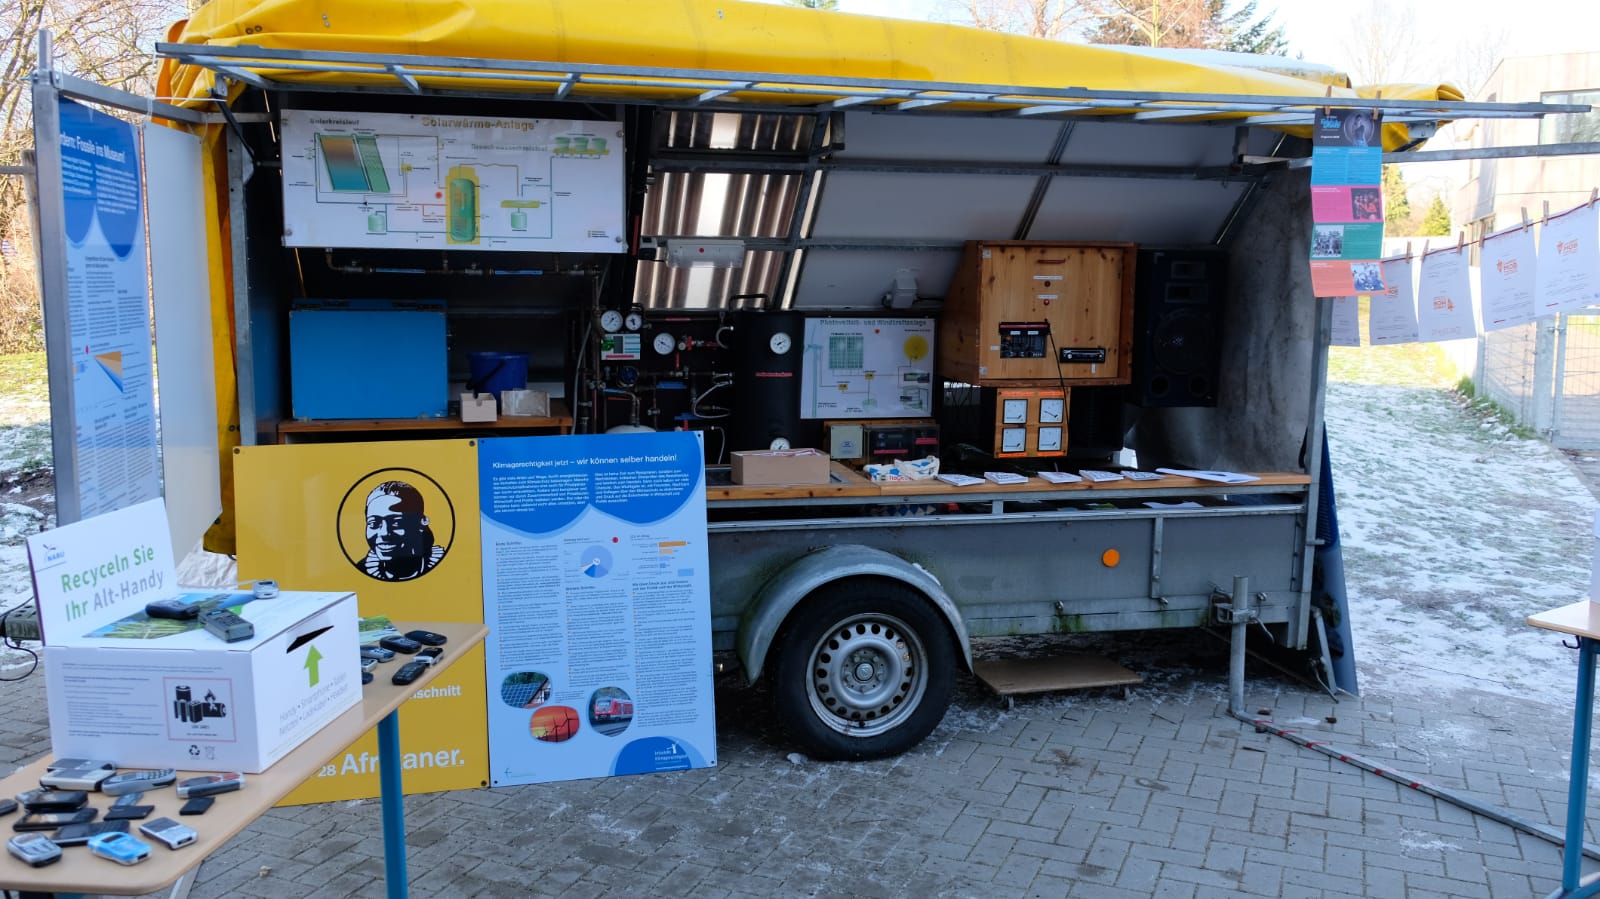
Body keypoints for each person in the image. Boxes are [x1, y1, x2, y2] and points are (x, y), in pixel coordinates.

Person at [361, 481, 445, 580]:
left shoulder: (449, 568)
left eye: (396, 522)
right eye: (373, 523)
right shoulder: (357, 573)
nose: (384, 533)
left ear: (421, 522)